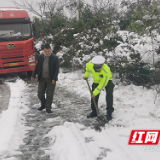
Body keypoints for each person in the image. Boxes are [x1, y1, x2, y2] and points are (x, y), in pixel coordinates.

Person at [83, 55, 115, 121]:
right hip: (96, 81)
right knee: (93, 97)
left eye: (99, 68)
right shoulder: (89, 65)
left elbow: (102, 84)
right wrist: (86, 76)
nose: (98, 69)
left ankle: (109, 112)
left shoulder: (106, 70)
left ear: (102, 65)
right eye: (96, 68)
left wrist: (95, 92)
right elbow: (88, 70)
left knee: (109, 95)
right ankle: (94, 111)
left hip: (107, 81)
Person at [31, 43, 59, 113]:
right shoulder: (40, 57)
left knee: (49, 95)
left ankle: (48, 108)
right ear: (43, 51)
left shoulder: (55, 58)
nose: (47, 53)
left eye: (48, 51)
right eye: (45, 51)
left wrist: (54, 78)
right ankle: (43, 104)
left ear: (50, 50)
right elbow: (37, 67)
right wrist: (33, 75)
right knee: (40, 94)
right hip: (42, 78)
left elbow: (56, 69)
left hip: (50, 79)